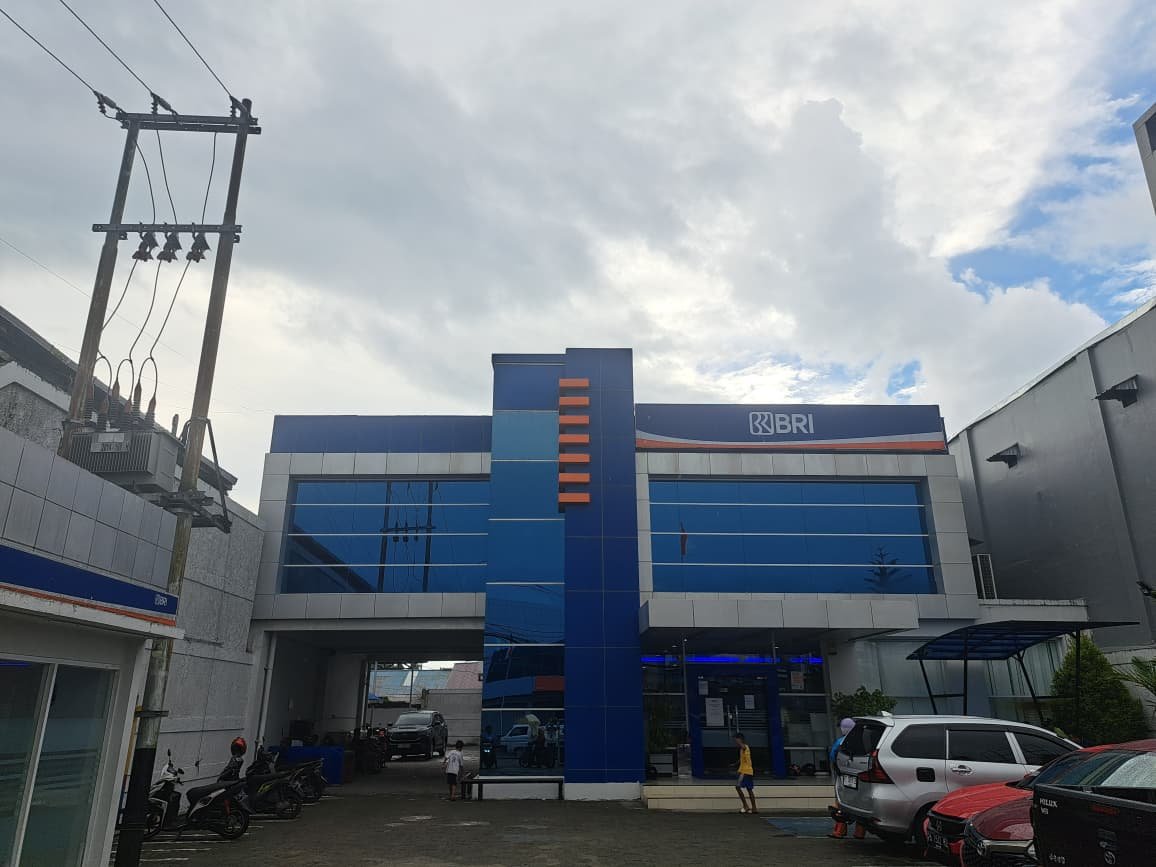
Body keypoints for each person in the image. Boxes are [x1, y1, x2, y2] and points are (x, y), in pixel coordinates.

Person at [733, 732, 757, 815]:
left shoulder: (744, 747)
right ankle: (754, 808)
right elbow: (742, 759)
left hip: (745, 771)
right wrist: (735, 764)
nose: (735, 742)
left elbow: (743, 746)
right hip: (747, 771)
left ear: (739, 739)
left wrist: (739, 742)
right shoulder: (743, 749)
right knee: (749, 789)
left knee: (738, 787)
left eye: (736, 740)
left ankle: (746, 806)